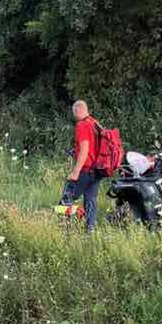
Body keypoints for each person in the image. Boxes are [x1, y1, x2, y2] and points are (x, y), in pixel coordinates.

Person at [63, 99, 103, 231]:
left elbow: (85, 151)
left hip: (85, 170)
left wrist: (75, 172)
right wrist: (76, 151)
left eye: (74, 113)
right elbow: (93, 147)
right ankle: (90, 230)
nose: (74, 116)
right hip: (97, 170)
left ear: (77, 111)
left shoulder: (82, 125)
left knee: (67, 197)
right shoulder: (94, 123)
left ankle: (66, 230)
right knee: (91, 200)